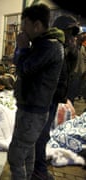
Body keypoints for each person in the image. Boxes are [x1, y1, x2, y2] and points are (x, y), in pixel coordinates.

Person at [7, 4, 65, 180]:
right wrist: (22, 51)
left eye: (25, 24)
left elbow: (24, 69)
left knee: (16, 155)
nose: (23, 29)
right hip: (30, 107)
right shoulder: (42, 44)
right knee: (28, 150)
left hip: (34, 110)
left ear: (37, 25)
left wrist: (22, 48)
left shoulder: (50, 47)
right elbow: (22, 67)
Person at [32, 15, 80, 180]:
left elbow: (68, 72)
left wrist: (72, 50)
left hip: (51, 99)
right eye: (71, 32)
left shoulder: (63, 47)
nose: (74, 37)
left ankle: (36, 168)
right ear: (62, 31)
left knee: (42, 135)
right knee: (41, 135)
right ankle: (37, 171)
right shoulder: (51, 47)